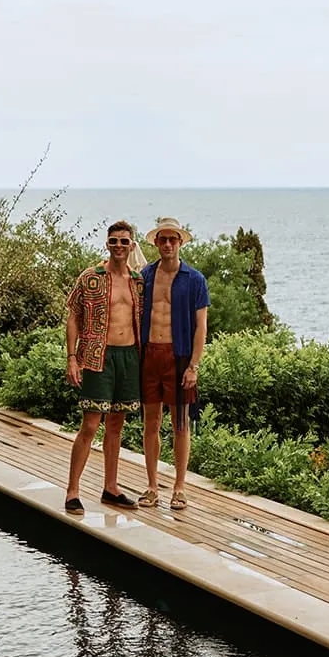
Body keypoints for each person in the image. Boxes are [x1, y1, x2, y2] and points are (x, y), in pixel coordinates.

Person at [62, 220, 145, 516]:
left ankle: (111, 487)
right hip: (98, 355)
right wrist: (72, 357)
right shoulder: (91, 277)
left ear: (132, 245)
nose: (119, 246)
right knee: (90, 425)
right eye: (114, 241)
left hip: (129, 358)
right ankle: (72, 490)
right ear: (107, 244)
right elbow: (73, 315)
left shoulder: (138, 281)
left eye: (125, 241)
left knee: (116, 425)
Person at [136, 217, 209, 511]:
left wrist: (194, 365)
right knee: (150, 422)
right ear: (155, 243)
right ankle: (152, 486)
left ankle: (179, 487)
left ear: (180, 242)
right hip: (149, 355)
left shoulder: (195, 279)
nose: (167, 244)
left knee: (181, 424)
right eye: (162, 239)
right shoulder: (145, 276)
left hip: (179, 357)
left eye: (173, 239)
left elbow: (201, 327)